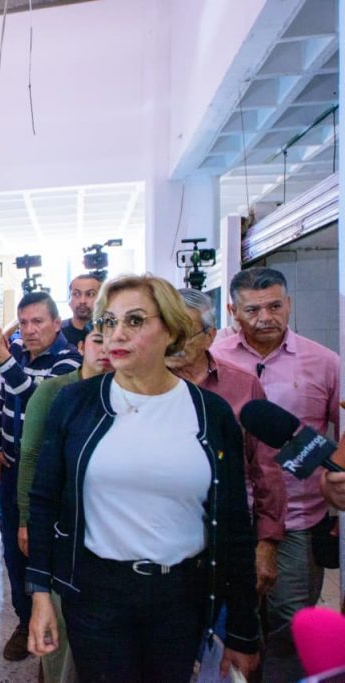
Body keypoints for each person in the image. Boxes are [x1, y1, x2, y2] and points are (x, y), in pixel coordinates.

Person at [27, 274, 260, 683]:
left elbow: (235, 524)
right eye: (109, 321)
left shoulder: (211, 413)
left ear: (170, 329)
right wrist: (41, 593)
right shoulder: (76, 403)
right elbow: (45, 499)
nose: (117, 334)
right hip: (97, 594)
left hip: (181, 597)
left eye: (135, 320)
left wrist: (242, 629)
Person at [211, 267, 340, 683]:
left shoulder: (325, 361)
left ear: (289, 304)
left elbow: (341, 434)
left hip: (299, 519)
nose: (265, 317)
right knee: (230, 622)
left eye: (274, 306)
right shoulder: (213, 359)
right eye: (252, 309)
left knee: (291, 623)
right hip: (229, 517)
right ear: (232, 311)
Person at [0, 291, 81, 661]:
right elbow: (0, 402)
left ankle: (55, 623)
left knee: (42, 548)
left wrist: (4, 360)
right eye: (23, 323)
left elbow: (40, 401)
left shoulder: (69, 362)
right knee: (12, 549)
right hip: (10, 469)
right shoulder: (20, 355)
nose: (30, 330)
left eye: (38, 321)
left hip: (47, 476)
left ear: (56, 322)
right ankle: (24, 621)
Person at [166, 288, 286, 595]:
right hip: (160, 538)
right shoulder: (139, 388)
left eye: (185, 332)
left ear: (209, 336)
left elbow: (266, 469)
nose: (174, 342)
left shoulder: (243, 386)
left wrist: (267, 543)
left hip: (228, 532)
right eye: (168, 330)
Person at [16, 326, 111, 683]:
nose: (106, 349)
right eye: (98, 340)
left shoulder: (129, 394)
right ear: (82, 346)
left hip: (106, 534)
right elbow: (30, 456)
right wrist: (26, 519)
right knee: (59, 628)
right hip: (61, 524)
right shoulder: (57, 392)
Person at [60, 273, 103, 347]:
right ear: (69, 299)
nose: (82, 301)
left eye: (90, 294)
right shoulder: (56, 332)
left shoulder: (109, 331)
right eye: (76, 294)